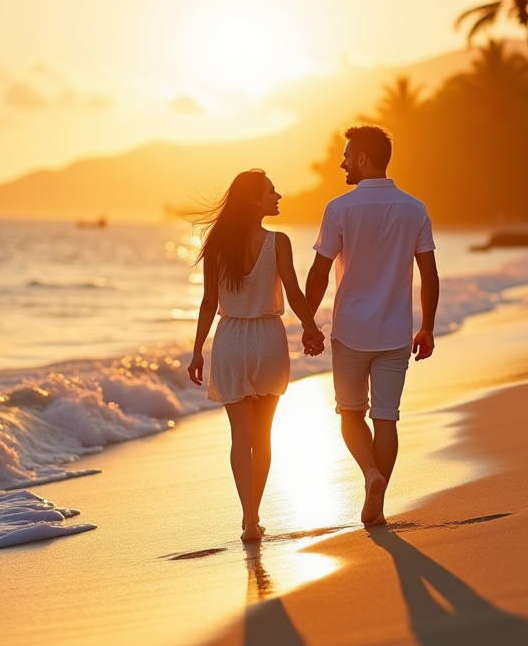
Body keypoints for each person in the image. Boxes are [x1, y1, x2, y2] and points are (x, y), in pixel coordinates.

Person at [305, 126, 439, 526]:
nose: (342, 163)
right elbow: (429, 275)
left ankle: (370, 474)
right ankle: (377, 503)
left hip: (350, 332)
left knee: (350, 414)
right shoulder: (414, 208)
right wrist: (427, 327)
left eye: (347, 155)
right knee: (386, 417)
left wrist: (308, 322)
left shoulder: (340, 208)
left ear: (363, 158)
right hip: (396, 331)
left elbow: (318, 271)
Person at [187, 170, 325, 542]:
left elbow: (208, 303)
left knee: (240, 436)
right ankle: (254, 515)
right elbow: (294, 295)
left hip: (230, 339)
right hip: (267, 339)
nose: (278, 195)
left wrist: (198, 350)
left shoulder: (216, 245)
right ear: (253, 200)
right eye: (270, 191)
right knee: (262, 436)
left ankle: (249, 517)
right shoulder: (278, 242)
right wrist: (310, 328)